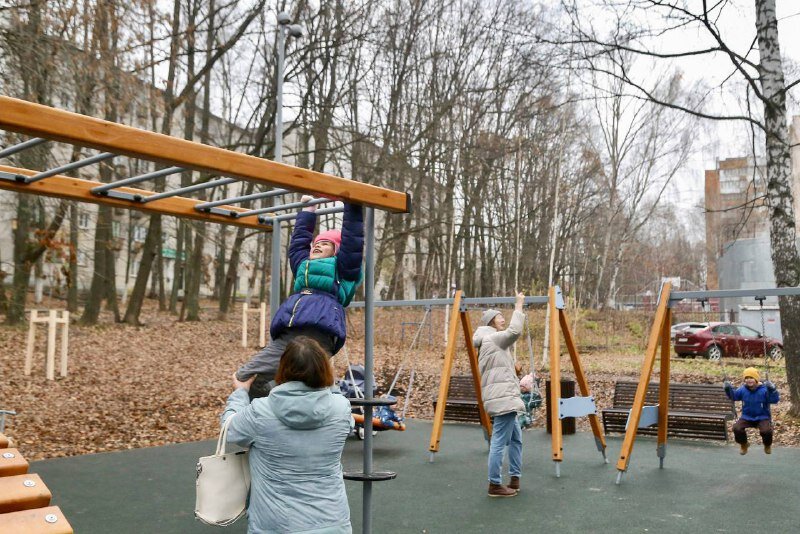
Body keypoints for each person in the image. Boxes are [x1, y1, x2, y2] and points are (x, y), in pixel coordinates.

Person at [221, 336, 353, 533]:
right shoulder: (341, 407)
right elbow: (347, 424)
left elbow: (229, 429)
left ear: (282, 369)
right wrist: (328, 382)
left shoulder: (261, 412)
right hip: (332, 522)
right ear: (324, 369)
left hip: (277, 526)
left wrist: (240, 393)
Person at [236, 196, 364, 398]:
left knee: (313, 386)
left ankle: (323, 415)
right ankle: (270, 411)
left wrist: (351, 203)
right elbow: (298, 243)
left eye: (325, 243)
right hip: (288, 336)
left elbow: (352, 240)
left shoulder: (342, 268)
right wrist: (309, 210)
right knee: (245, 376)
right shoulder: (302, 267)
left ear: (336, 252)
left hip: (319, 337)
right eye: (316, 242)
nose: (317, 245)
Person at [473, 292, 526, 497]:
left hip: (503, 395)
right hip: (503, 398)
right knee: (499, 441)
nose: (503, 318)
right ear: (491, 322)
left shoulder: (488, 341)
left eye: (503, 315)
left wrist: (514, 369)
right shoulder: (492, 338)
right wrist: (519, 305)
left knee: (516, 439)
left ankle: (514, 477)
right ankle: (494, 484)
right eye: (499, 316)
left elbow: (497, 369)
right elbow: (515, 330)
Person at [724, 367, 779, 455]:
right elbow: (734, 396)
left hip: (762, 417)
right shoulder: (743, 389)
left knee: (766, 431)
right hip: (747, 417)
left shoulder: (764, 390)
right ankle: (744, 444)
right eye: (746, 378)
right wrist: (728, 389)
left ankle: (767, 444)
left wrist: (773, 390)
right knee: (736, 428)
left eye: (751, 378)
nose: (749, 380)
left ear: (756, 379)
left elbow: (774, 400)